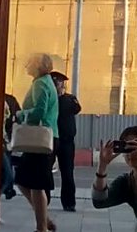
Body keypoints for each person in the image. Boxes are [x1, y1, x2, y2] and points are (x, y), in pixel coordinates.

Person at [14, 53, 60, 232]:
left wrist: (21, 115)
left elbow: (39, 112)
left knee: (35, 184)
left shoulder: (40, 83)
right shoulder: (47, 82)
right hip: (46, 138)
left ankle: (42, 228)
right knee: (25, 180)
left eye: (30, 62)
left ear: (38, 66)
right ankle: (44, 220)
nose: (26, 65)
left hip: (40, 140)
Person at [50, 71, 82, 212]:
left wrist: (63, 96)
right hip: (51, 139)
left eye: (61, 82)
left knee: (67, 172)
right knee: (46, 171)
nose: (60, 85)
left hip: (67, 141)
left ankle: (69, 203)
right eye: (57, 82)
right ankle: (43, 200)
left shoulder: (69, 98)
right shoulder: (49, 99)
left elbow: (77, 109)